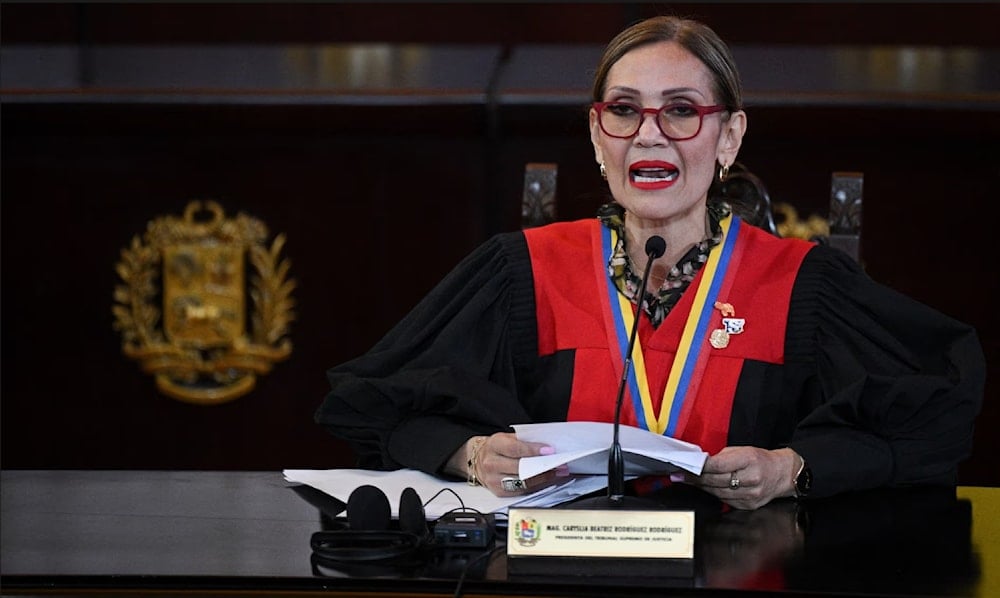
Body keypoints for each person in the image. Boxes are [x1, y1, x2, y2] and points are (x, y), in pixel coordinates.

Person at [316, 16, 984, 510]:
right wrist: (472, 455)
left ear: (729, 136)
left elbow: (936, 415)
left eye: (682, 112)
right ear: (595, 134)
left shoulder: (801, 283)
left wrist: (791, 467)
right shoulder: (521, 272)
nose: (649, 134)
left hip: (743, 572)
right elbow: (377, 404)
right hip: (558, 575)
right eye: (625, 111)